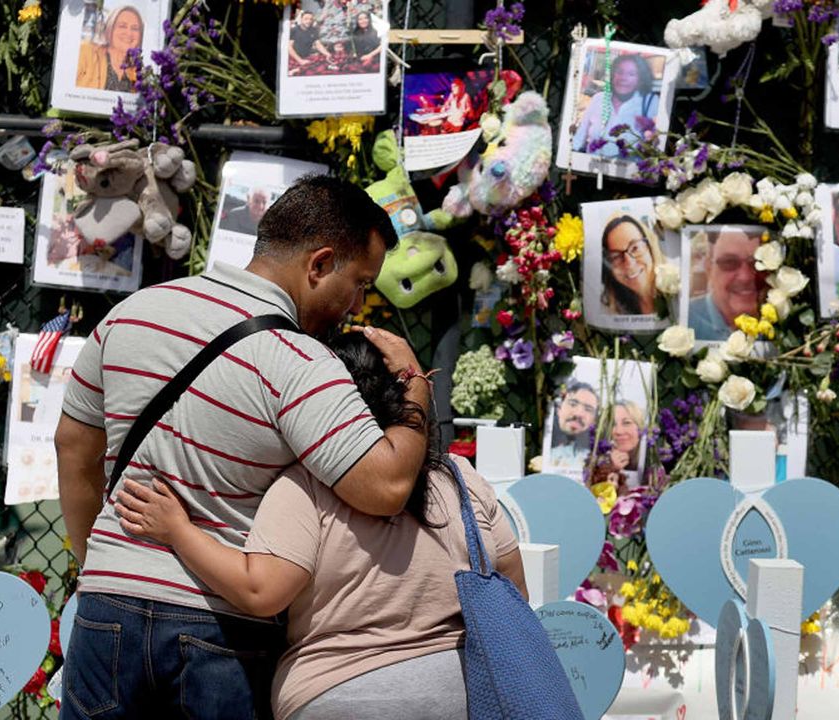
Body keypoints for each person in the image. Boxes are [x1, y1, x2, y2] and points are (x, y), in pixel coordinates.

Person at [57, 174, 427, 719]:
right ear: (319, 264)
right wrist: (415, 384)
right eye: (360, 284)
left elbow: (72, 447)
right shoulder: (299, 361)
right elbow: (387, 486)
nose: (356, 306)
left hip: (106, 608)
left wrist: (104, 561)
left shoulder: (130, 313)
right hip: (220, 626)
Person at [113, 332, 526, 720]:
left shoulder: (305, 486)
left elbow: (262, 591)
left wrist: (177, 530)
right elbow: (514, 589)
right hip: (464, 693)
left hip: (337, 693)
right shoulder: (460, 480)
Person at [571, 53, 659, 159]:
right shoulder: (598, 98)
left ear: (640, 80)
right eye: (619, 72)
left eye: (631, 74)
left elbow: (656, 142)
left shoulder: (649, 102)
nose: (623, 78)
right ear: (613, 75)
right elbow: (580, 136)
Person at [687, 227, 765, 342]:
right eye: (729, 262)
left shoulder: (784, 322)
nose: (745, 277)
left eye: (757, 263)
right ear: (709, 268)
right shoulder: (686, 320)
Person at [600, 213, 662, 316]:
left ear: (650, 246)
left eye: (635, 248)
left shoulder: (676, 296)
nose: (629, 263)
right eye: (616, 257)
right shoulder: (613, 312)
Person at [76, 4, 142, 92]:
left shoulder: (139, 71)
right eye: (122, 26)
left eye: (135, 28)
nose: (129, 33)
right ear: (109, 28)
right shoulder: (86, 52)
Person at [548, 381, 599, 469]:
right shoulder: (541, 444)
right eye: (573, 404)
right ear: (559, 408)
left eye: (588, 409)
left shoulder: (598, 458)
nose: (579, 413)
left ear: (594, 421)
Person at [609, 401, 644, 473]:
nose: (618, 431)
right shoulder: (600, 460)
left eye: (626, 423)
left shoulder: (651, 463)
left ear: (640, 427)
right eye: (613, 424)